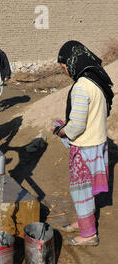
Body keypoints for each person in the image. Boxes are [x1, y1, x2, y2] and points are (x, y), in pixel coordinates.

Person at [53, 40, 113, 246]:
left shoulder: (80, 87)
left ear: (72, 62)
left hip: (85, 148)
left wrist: (61, 131)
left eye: (64, 66)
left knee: (80, 190)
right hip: (97, 145)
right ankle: (83, 221)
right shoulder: (96, 82)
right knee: (87, 191)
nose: (65, 71)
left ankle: (89, 235)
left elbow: (76, 127)